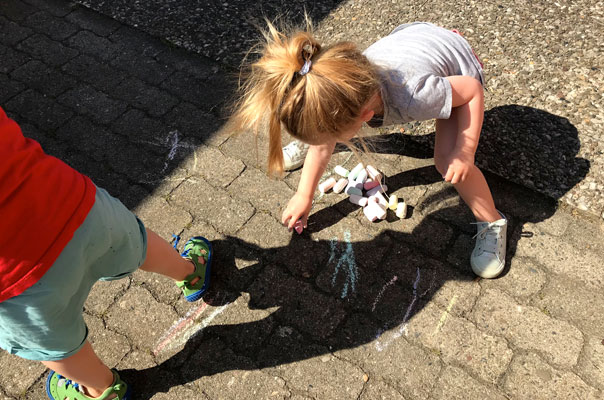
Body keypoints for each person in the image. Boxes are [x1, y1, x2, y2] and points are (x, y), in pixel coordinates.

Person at [232, 20, 507, 279]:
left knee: (447, 162)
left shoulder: (415, 96)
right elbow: (327, 138)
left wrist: (464, 151)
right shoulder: (333, 78)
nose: (324, 144)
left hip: (458, 64)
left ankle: (492, 222)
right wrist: (304, 194)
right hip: (416, 41)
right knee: (330, 124)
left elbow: (471, 92)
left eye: (324, 137)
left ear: (364, 117)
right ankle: (321, 130)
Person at [0, 106, 213, 400]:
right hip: (71, 202)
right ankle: (192, 273)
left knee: (59, 346)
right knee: (139, 244)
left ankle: (103, 389)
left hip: (16, 281)